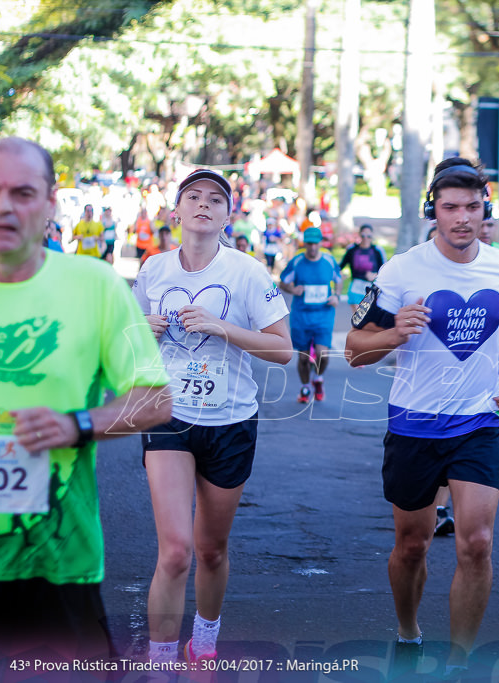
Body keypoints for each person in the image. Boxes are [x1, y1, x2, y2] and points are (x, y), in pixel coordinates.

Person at [0, 137, 171, 661]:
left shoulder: (95, 285)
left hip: (57, 558)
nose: (2, 206)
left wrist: (78, 423)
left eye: (21, 192)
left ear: (48, 203)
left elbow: (155, 400)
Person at [345, 158, 499, 676]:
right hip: (414, 423)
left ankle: (460, 663)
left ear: (485, 209)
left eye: (473, 207)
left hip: (477, 422)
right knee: (412, 545)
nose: (463, 218)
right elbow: (355, 349)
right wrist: (393, 332)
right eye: (451, 207)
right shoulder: (401, 270)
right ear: (433, 210)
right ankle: (408, 632)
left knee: (477, 542)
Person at [133, 169, 292, 664]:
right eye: (193, 196)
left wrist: (222, 327)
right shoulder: (153, 271)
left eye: (216, 199)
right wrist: (143, 331)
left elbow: (283, 349)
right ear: (176, 211)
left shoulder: (246, 272)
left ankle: (203, 642)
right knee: (176, 551)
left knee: (210, 549)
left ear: (228, 215)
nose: (204, 204)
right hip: (168, 417)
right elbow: (128, 349)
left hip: (230, 421)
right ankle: (159, 664)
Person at [278, 226, 342, 403]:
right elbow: (283, 282)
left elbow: (339, 279)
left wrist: (336, 296)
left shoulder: (329, 261)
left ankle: (318, 378)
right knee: (303, 357)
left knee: (323, 354)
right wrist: (292, 288)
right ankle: (305, 387)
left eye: (316, 244)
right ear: (305, 244)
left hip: (324, 314)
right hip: (302, 316)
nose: (313, 247)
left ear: (321, 243)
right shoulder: (297, 262)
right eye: (309, 244)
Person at [340, 223, 387, 312]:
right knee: (358, 317)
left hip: (371, 288)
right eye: (363, 235)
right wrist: (340, 275)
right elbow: (340, 266)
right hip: (355, 287)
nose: (366, 238)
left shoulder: (377, 251)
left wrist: (375, 275)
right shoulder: (352, 250)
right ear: (360, 235)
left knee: (368, 319)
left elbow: (384, 270)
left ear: (372, 236)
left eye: (368, 236)